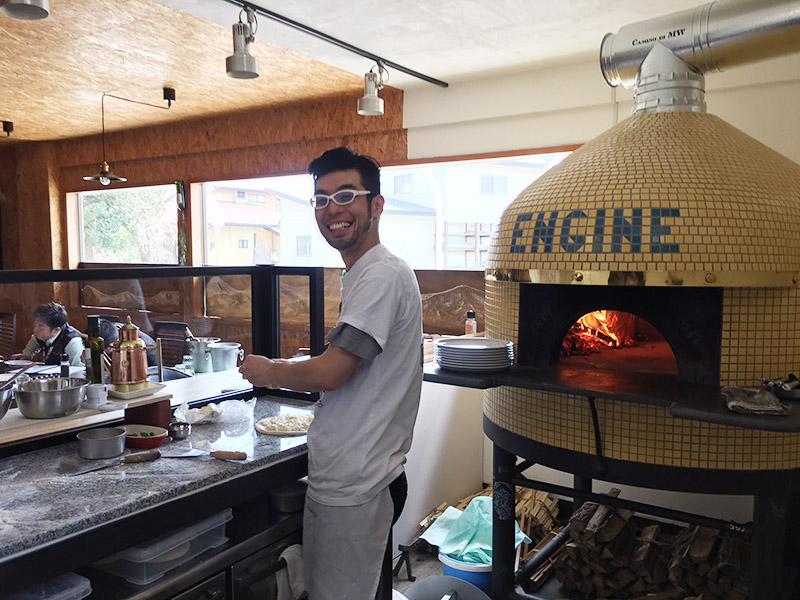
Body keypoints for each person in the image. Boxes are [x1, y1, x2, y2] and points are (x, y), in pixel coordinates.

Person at [239, 147, 423, 600]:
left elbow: (334, 371)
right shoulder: (363, 274)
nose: (331, 210)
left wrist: (269, 370)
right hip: (352, 475)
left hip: (358, 481)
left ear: (375, 205)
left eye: (345, 195)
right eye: (320, 199)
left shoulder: (381, 275)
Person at [14, 302, 84, 366]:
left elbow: (78, 370)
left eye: (40, 326)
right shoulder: (39, 335)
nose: (34, 330)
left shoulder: (72, 342)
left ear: (56, 330)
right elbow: (27, 353)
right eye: (35, 324)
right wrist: (25, 357)